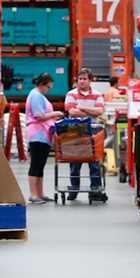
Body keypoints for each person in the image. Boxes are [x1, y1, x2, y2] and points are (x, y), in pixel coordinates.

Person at [63, 69, 107, 202]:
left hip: (93, 131)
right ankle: (74, 189)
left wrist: (81, 108)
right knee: (75, 162)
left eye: (84, 79)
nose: (81, 81)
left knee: (94, 162)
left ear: (90, 80)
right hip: (75, 130)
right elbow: (72, 112)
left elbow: (99, 111)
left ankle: (95, 190)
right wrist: (90, 112)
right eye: (80, 79)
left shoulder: (98, 94)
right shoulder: (71, 94)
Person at [24, 73, 63, 205]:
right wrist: (55, 113)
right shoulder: (35, 95)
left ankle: (40, 194)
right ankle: (33, 194)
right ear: (42, 84)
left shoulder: (40, 96)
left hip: (43, 135)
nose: (49, 89)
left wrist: (51, 117)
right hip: (37, 135)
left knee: (40, 165)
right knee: (36, 164)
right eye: (48, 86)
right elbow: (39, 116)